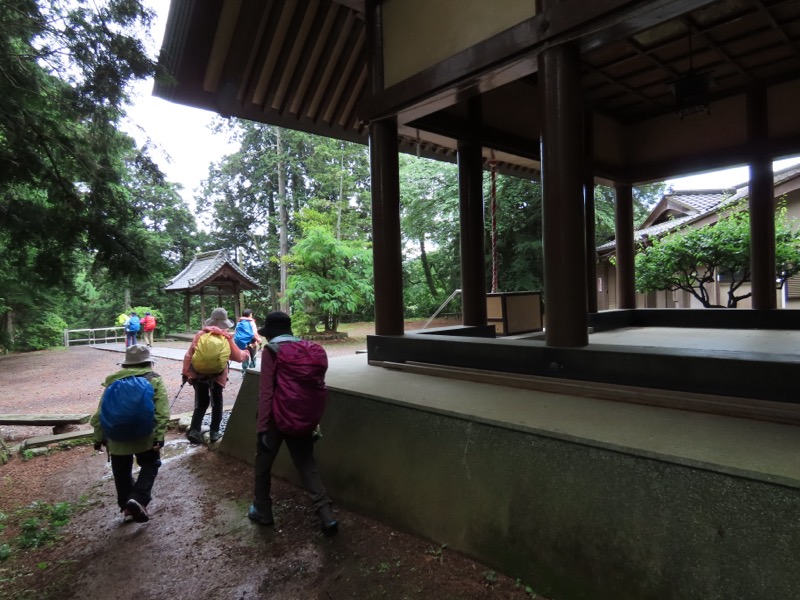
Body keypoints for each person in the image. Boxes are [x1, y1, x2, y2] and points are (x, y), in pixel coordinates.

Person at [248, 311, 338, 536]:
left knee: (263, 464)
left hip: (276, 419)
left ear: (272, 333)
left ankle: (263, 510)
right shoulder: (308, 348)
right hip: (301, 417)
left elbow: (266, 391)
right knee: (307, 464)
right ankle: (326, 515)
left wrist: (262, 427)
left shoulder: (272, 351)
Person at [90, 344, 169, 523]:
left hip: (116, 437)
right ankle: (139, 498)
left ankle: (127, 506)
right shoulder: (154, 380)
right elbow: (162, 411)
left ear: (126, 364)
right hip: (145, 435)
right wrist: (159, 436)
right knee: (150, 464)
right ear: (148, 363)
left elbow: (101, 412)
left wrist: (98, 437)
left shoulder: (113, 382)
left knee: (121, 471)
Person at [182, 307, 248, 444]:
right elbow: (237, 356)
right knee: (217, 403)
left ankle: (194, 430)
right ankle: (214, 432)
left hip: (198, 375)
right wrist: (246, 353)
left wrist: (185, 373)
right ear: (224, 323)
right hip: (217, 376)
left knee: (201, 403)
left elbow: (189, 355)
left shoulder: (200, 335)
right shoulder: (226, 337)